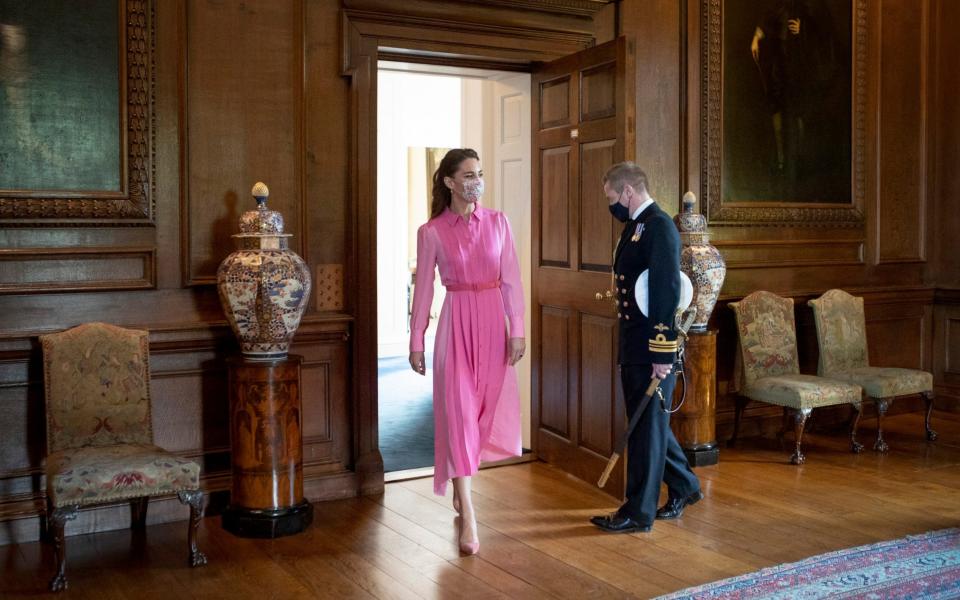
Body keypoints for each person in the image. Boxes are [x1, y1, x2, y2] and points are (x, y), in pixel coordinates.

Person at [408, 148, 525, 555]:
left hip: (494, 325)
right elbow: (423, 291)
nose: (477, 180)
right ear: (450, 182)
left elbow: (510, 279)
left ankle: (461, 479)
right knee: (458, 413)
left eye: (480, 173)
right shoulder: (432, 232)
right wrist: (415, 339)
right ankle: (470, 516)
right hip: (455, 325)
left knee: (482, 413)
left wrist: (518, 330)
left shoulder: (498, 223)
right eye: (469, 174)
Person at [590, 162, 702, 534]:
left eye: (611, 197)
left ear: (627, 192)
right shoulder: (635, 227)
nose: (611, 205)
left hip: (651, 347)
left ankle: (638, 512)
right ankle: (685, 485)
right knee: (649, 424)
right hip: (633, 342)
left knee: (646, 428)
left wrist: (661, 354)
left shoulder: (659, 227)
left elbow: (665, 292)